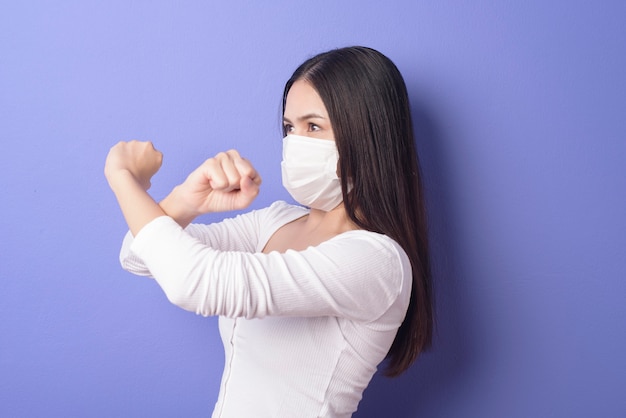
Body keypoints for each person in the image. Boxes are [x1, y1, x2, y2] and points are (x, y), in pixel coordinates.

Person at [105, 46, 433, 418]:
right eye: (289, 127)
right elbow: (138, 254)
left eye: (313, 126)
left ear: (367, 136)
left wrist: (122, 178)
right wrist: (186, 200)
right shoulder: (274, 221)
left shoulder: (376, 261)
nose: (295, 142)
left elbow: (191, 283)